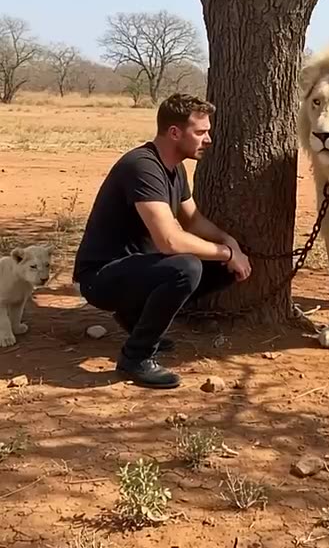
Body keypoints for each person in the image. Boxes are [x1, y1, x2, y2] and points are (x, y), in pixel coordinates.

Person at [73, 93, 251, 389]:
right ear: (174, 132)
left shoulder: (175, 167)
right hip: (100, 278)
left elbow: (193, 220)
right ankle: (135, 357)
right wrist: (224, 251)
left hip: (136, 270)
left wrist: (230, 244)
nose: (208, 139)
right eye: (200, 132)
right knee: (187, 268)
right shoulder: (142, 166)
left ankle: (134, 318)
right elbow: (169, 241)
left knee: (222, 266)